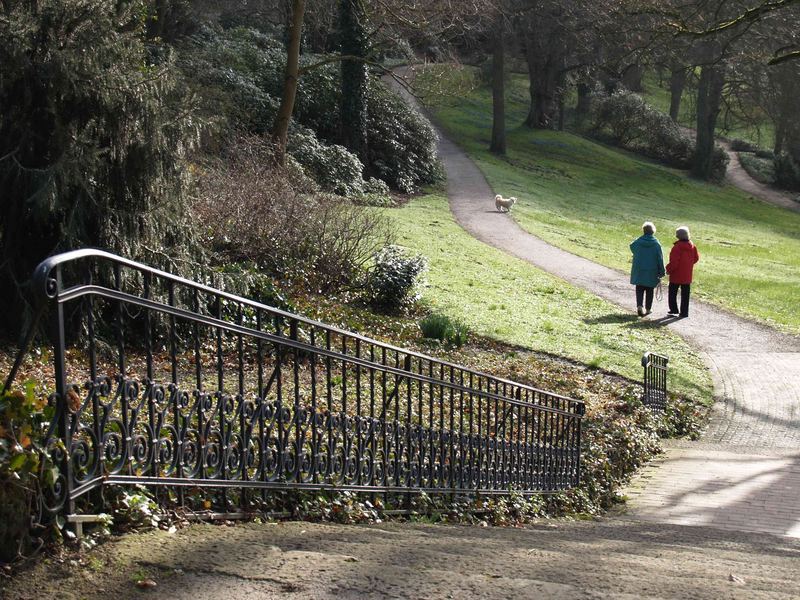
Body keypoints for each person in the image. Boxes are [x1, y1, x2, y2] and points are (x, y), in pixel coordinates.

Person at [629, 221, 665, 316]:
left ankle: (639, 306)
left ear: (643, 231)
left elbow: (632, 246)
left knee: (639, 288)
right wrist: (662, 271)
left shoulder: (639, 241)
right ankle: (648, 309)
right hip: (652, 270)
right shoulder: (656, 244)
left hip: (639, 269)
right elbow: (660, 258)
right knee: (650, 290)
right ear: (653, 231)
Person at [666, 225, 700, 317]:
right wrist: (688, 265)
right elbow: (696, 258)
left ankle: (674, 309)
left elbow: (674, 262)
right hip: (687, 274)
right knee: (685, 294)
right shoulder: (692, 246)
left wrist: (668, 269)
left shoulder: (677, 247)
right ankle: (684, 312)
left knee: (672, 292)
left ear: (678, 236)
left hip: (676, 274)